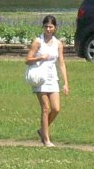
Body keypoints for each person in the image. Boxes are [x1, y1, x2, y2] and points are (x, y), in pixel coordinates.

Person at [26, 14, 69, 147]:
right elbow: (28, 60)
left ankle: (42, 130)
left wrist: (66, 82)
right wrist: (40, 58)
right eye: (46, 27)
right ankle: (46, 139)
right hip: (40, 78)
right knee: (46, 108)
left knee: (56, 109)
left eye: (51, 27)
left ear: (55, 28)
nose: (48, 29)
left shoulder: (58, 44)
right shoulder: (38, 42)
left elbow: (61, 63)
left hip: (52, 78)